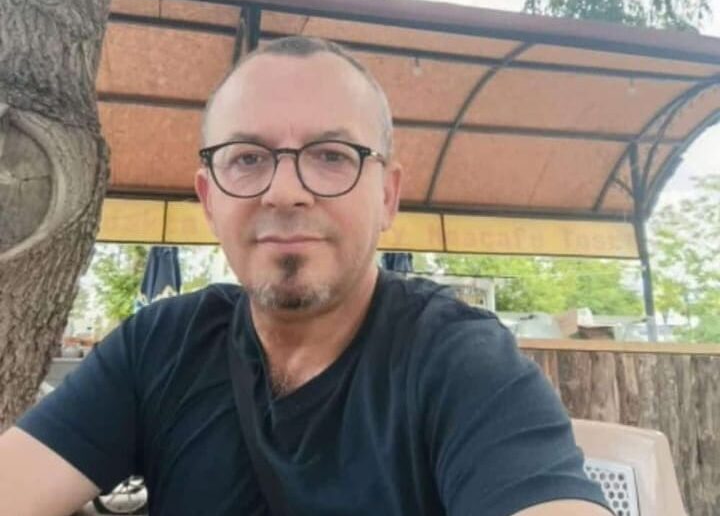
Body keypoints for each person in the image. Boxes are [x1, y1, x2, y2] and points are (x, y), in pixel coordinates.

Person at [0, 36, 611, 516]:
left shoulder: (461, 362)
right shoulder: (159, 347)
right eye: (247, 158)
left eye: (331, 156)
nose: (285, 191)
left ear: (388, 196)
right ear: (209, 199)